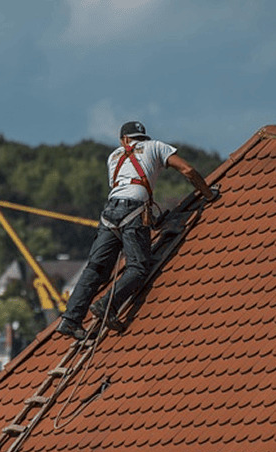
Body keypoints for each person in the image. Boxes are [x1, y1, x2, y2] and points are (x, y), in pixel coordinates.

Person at [55, 121, 218, 340]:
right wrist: (208, 194)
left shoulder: (113, 157)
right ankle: (107, 305)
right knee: (139, 267)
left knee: (95, 269)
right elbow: (187, 170)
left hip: (109, 213)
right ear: (143, 137)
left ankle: (70, 320)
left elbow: (123, 186)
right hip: (134, 210)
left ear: (124, 140)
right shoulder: (156, 146)